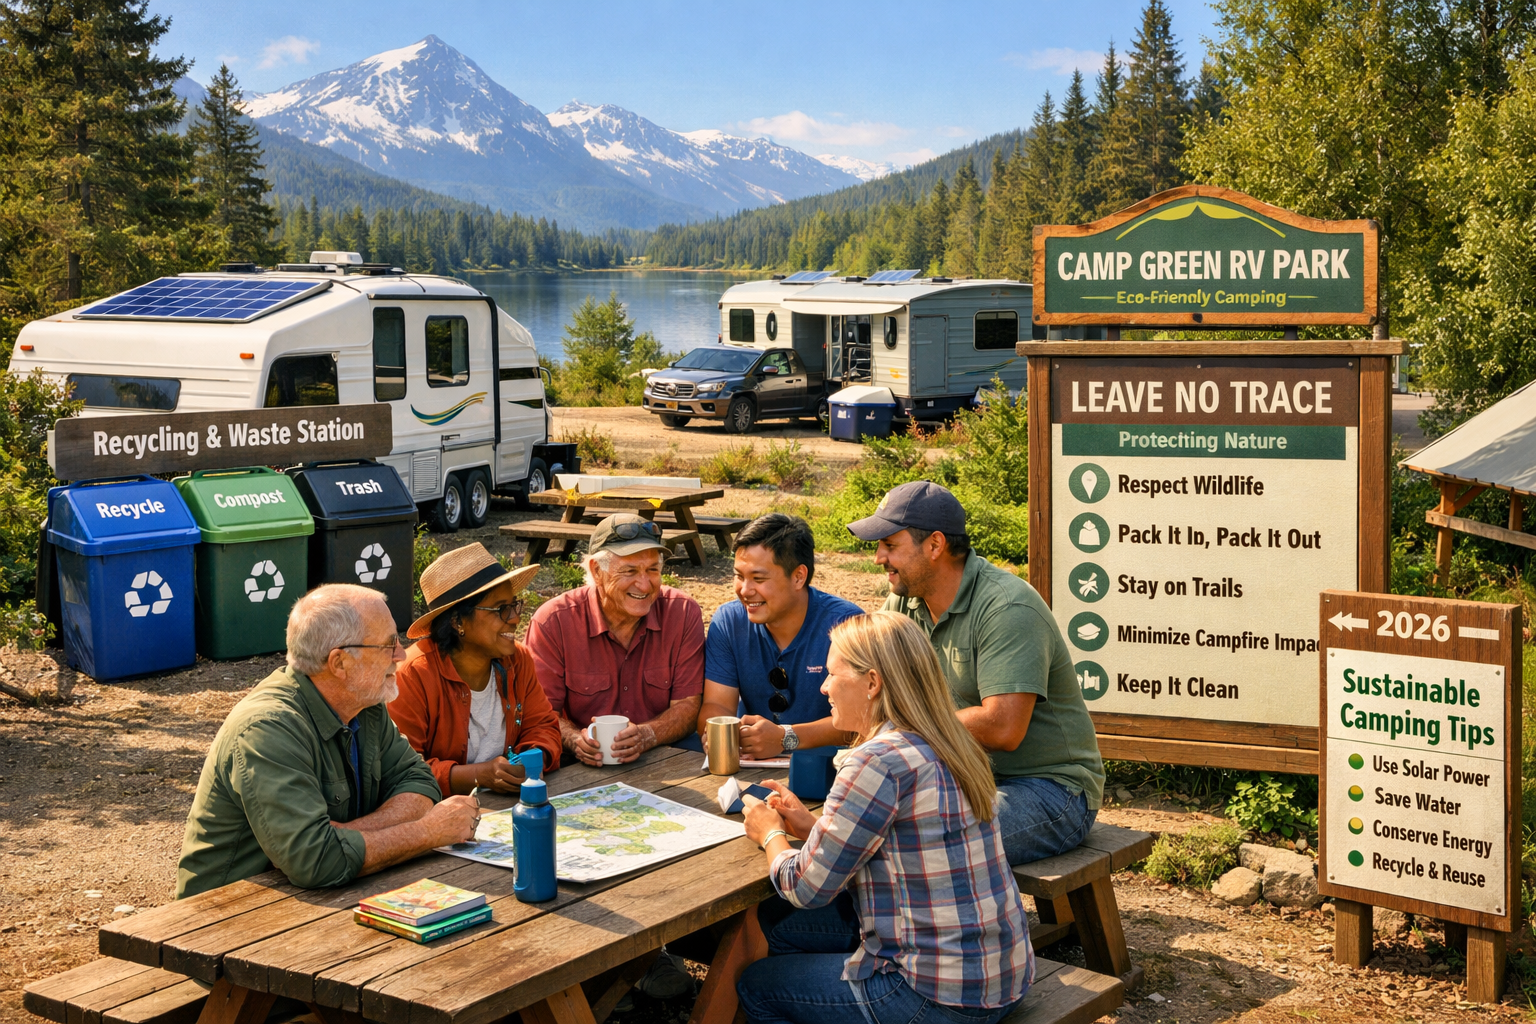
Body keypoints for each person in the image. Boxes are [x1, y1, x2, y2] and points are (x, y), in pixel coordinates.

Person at [737, 611, 1032, 1024]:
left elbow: (805, 888)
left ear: (872, 683)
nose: (823, 687)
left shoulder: (876, 761)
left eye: (833, 674)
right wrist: (812, 828)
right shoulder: (948, 740)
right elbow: (903, 843)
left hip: (935, 997)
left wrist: (770, 835)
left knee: (756, 985)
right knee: (779, 927)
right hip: (1003, 978)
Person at [848, 480, 1105, 865]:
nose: (878, 558)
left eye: (889, 545)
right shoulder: (904, 603)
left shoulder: (1007, 607)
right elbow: (864, 692)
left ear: (935, 545)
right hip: (964, 774)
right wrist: (789, 737)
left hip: (1050, 790)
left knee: (910, 846)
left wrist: (898, 730)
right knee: (858, 825)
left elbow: (1003, 728)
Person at [175, 585, 479, 899]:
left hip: (316, 896)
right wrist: (428, 832)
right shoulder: (267, 728)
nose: (401, 655)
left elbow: (419, 782)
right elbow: (316, 861)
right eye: (389, 644)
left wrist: (345, 836)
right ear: (339, 663)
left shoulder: (365, 702)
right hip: (227, 912)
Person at [526, 513, 704, 766]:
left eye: (652, 570)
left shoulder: (682, 612)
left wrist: (647, 735)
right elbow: (542, 715)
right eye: (630, 571)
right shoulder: (553, 622)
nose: (644, 585)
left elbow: (688, 705)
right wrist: (575, 741)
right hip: (582, 763)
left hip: (662, 753)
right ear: (597, 571)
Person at [389, 543, 562, 796]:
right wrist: (477, 776)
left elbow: (543, 726)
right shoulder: (413, 675)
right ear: (458, 621)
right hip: (439, 811)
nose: (515, 618)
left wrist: (531, 759)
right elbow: (401, 769)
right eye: (501, 609)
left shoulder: (517, 660)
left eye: (515, 605)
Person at [698, 513, 861, 758]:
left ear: (798, 577)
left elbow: (861, 721)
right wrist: (719, 735)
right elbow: (717, 704)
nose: (744, 590)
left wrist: (786, 738)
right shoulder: (728, 622)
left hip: (828, 768)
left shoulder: (846, 625)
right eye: (739, 576)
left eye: (758, 579)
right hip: (752, 764)